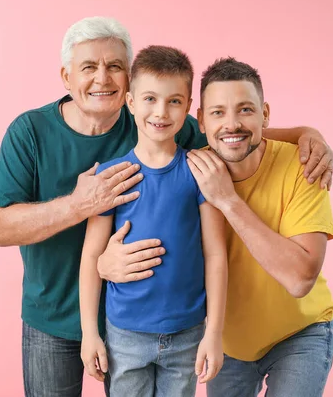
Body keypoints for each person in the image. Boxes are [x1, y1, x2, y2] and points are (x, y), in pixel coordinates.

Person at [0, 16, 333, 397]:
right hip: (57, 314)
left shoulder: (177, 139)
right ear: (66, 77)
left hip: (163, 324)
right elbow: (0, 228)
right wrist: (79, 208)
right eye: (88, 67)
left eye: (115, 66)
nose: (102, 79)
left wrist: (306, 134)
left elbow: (231, 132)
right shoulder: (31, 133)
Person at [79, 45, 227, 397]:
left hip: (188, 333)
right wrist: (90, 333)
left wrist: (214, 333)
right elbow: (90, 257)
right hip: (124, 335)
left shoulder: (200, 171)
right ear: (130, 102)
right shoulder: (112, 176)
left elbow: (216, 255)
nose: (161, 112)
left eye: (175, 101)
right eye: (150, 99)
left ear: (189, 106)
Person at [185, 57, 333, 397]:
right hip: (229, 343)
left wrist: (228, 200)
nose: (232, 123)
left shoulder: (304, 165)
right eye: (218, 112)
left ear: (265, 114)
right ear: (202, 122)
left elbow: (300, 278)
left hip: (300, 331)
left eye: (246, 110)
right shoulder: (191, 169)